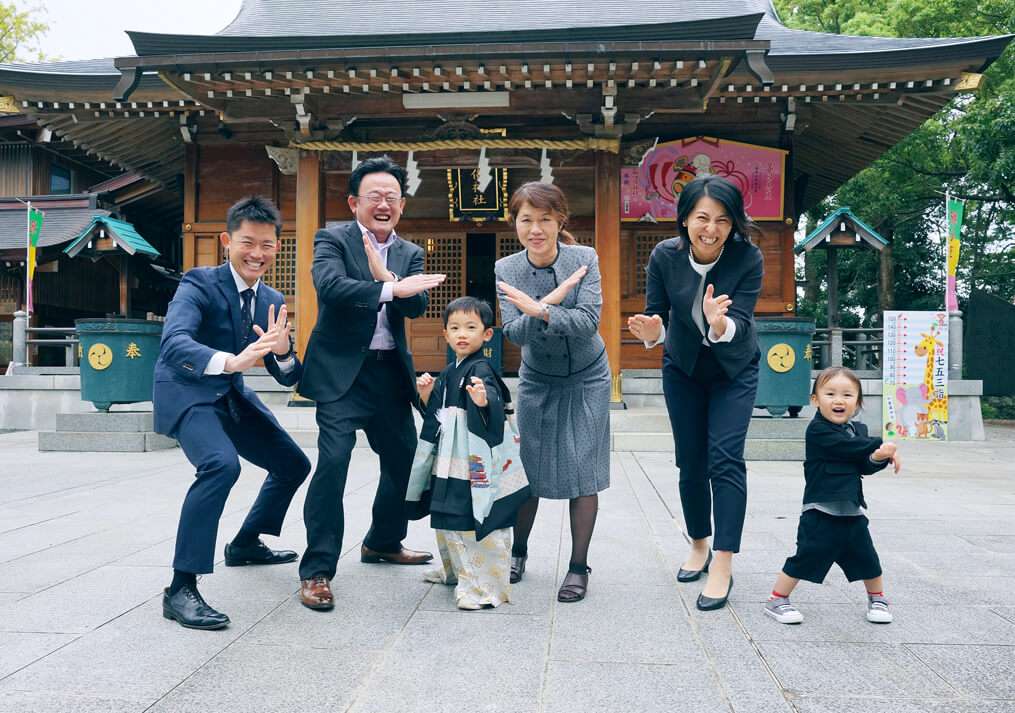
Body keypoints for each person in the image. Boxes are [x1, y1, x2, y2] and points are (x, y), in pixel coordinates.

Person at [154, 195, 311, 630]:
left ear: (278, 247)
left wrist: (282, 353)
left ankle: (245, 543)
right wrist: (230, 361)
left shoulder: (272, 299)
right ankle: (180, 587)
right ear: (227, 241)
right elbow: (173, 343)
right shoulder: (197, 283)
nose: (256, 254)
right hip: (187, 392)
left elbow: (287, 374)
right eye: (247, 243)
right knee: (220, 466)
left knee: (293, 463)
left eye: (266, 245)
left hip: (229, 395)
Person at [297, 156, 447, 611]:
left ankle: (382, 540)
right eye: (374, 197)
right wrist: (390, 289)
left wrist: (399, 288)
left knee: (404, 464)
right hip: (342, 373)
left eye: (392, 198)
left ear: (402, 204)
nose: (384, 205)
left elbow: (417, 307)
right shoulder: (332, 238)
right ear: (354, 202)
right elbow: (331, 286)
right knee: (334, 464)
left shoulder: (409, 252)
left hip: (388, 373)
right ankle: (317, 570)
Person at [628, 175, 763, 611]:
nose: (712, 228)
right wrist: (652, 331)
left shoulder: (748, 257)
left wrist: (718, 323)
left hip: (733, 369)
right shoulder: (664, 256)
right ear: (685, 219)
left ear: (733, 224)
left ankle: (723, 559)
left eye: (723, 220)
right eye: (702, 217)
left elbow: (738, 319)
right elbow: (656, 315)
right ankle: (699, 544)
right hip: (683, 367)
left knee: (725, 458)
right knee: (690, 459)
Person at [495, 182, 610, 604]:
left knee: (583, 467)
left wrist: (541, 308)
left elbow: (588, 321)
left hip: (587, 375)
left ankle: (578, 566)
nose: (536, 229)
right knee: (529, 470)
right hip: (537, 378)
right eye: (526, 220)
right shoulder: (505, 268)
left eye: (545, 219)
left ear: (561, 219)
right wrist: (541, 309)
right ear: (516, 224)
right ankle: (518, 552)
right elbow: (511, 331)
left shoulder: (585, 259)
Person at [406, 297, 530, 610]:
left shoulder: (483, 368)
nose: (462, 334)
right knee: (449, 513)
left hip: (470, 461)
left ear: (487, 335)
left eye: (471, 328)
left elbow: (493, 400)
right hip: (450, 459)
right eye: (455, 328)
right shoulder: (449, 370)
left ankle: (483, 586)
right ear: (445, 333)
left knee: (473, 516)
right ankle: (457, 571)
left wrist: (484, 401)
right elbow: (436, 413)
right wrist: (424, 395)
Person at [765, 367, 901, 625]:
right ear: (815, 400)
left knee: (868, 558)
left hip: (851, 510)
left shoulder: (857, 431)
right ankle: (777, 599)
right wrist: (881, 444)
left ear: (857, 402)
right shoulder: (818, 431)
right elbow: (846, 449)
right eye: (830, 394)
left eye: (848, 395)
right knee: (805, 556)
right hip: (820, 510)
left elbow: (863, 465)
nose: (839, 400)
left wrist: (879, 457)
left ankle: (878, 598)